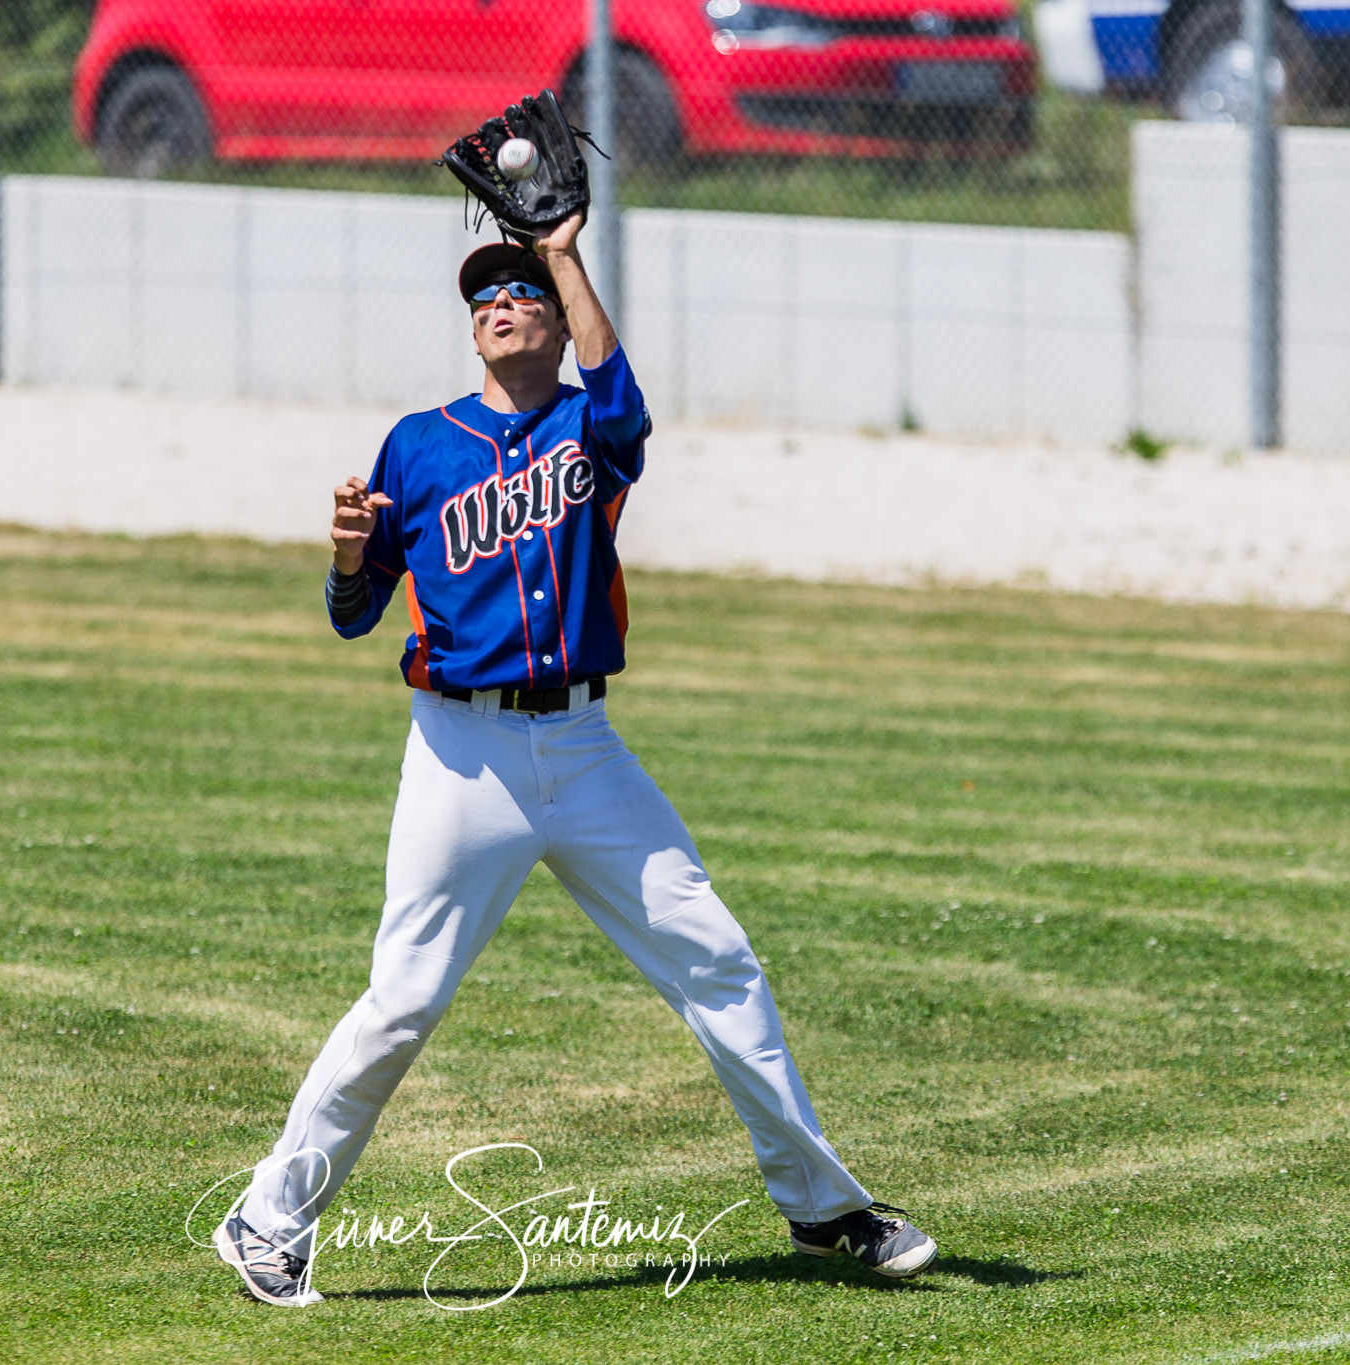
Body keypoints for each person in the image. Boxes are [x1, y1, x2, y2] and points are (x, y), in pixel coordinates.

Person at [214, 215, 936, 1307]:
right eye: (482, 299)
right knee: (401, 1001)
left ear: (555, 320)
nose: (497, 307)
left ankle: (821, 1206)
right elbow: (353, 617)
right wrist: (347, 561)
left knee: (717, 958)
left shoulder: (587, 437)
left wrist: (558, 249)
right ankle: (266, 1221)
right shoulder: (419, 443)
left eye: (519, 294)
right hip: (463, 759)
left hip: (585, 749)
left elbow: (625, 406)